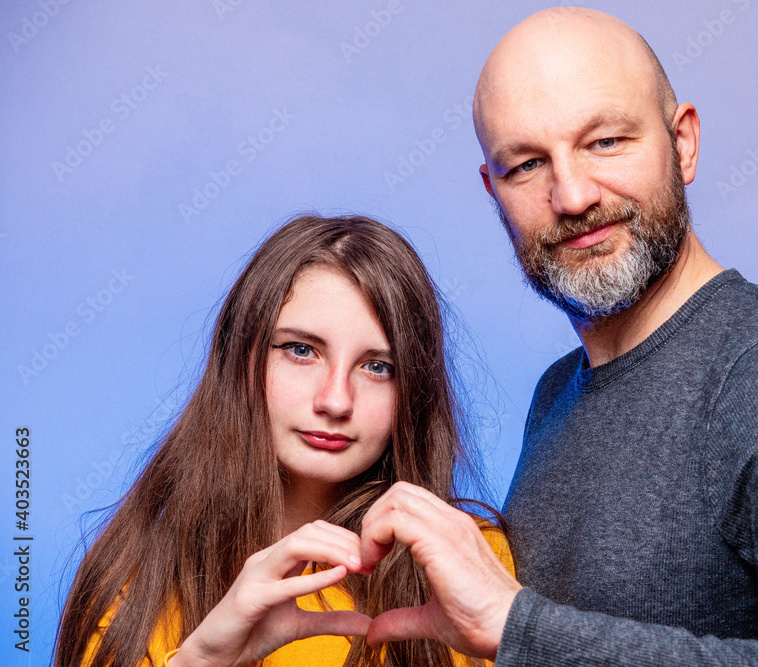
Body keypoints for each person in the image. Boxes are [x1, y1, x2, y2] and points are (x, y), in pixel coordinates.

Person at [354, 7, 758, 666]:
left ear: (684, 143)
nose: (573, 194)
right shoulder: (556, 394)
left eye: (605, 141)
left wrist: (518, 625)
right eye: (526, 165)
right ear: (493, 191)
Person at [55, 215, 512, 667]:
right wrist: (202, 661)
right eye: (301, 350)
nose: (335, 401)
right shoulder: (135, 577)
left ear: (414, 390)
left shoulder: (468, 561)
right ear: (239, 357)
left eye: (377, 367)